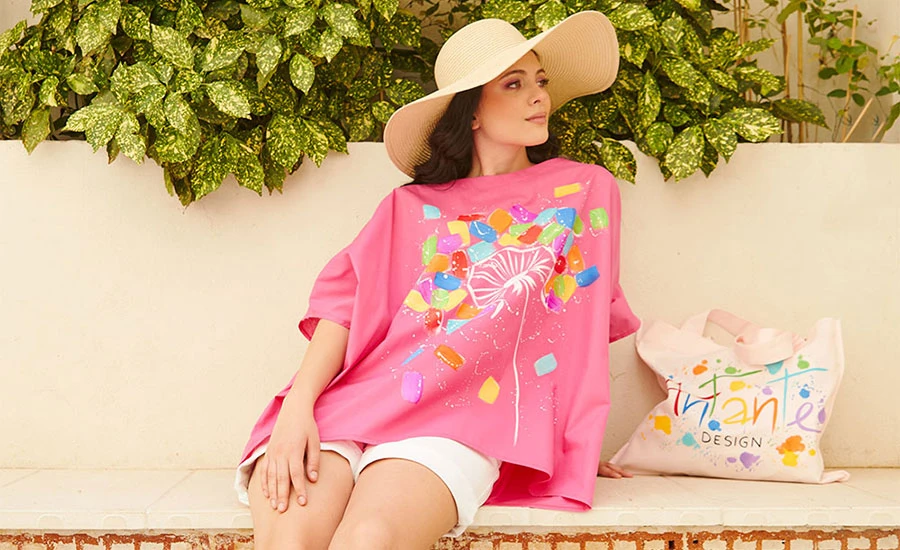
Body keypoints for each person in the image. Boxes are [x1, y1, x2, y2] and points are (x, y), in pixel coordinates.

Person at [235, 10, 641, 550]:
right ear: (471, 113)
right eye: (514, 84)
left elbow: (575, 328)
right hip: (352, 405)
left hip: (461, 420)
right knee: (288, 539)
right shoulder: (408, 206)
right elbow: (343, 307)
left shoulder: (582, 192)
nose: (538, 96)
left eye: (540, 81)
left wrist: (571, 446)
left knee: (370, 539)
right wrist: (296, 410)